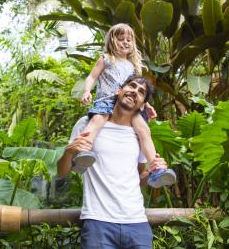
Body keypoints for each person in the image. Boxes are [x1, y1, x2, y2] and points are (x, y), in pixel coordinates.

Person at [58, 76, 170, 248]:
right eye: (131, 86)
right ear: (119, 90)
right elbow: (62, 172)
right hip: (98, 221)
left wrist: (152, 172)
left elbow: (139, 178)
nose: (134, 91)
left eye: (141, 92)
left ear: (142, 105)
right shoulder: (87, 124)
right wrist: (69, 152)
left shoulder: (139, 134)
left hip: (137, 222)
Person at [73, 23, 175, 188]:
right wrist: (86, 91)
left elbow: (137, 89)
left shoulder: (134, 66)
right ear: (112, 41)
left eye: (129, 39)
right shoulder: (106, 59)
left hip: (130, 106)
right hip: (106, 100)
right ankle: (83, 152)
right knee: (97, 119)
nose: (125, 42)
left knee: (144, 130)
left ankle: (155, 168)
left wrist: (147, 105)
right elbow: (92, 77)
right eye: (121, 39)